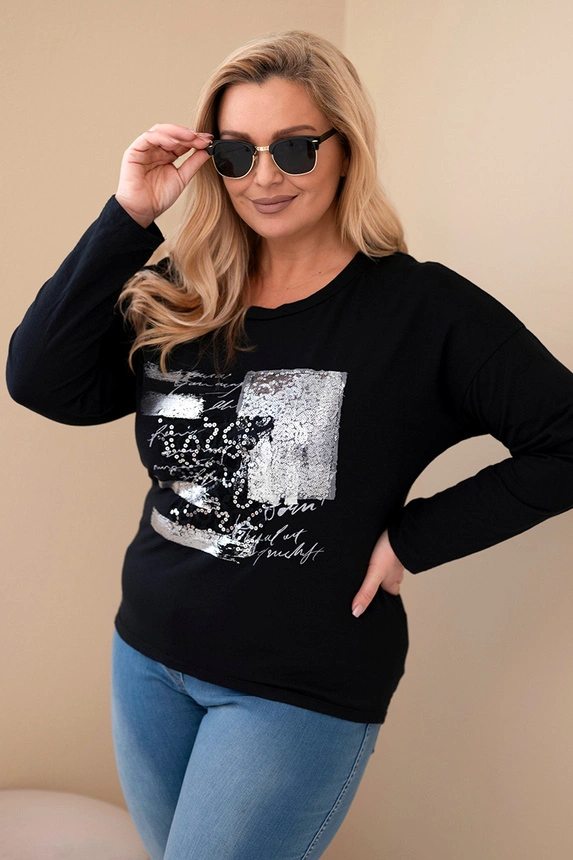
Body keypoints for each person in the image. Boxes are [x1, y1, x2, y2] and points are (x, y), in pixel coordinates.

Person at [6, 29, 573, 860]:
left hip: (295, 690)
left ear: (346, 151)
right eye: (236, 153)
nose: (263, 177)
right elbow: (39, 380)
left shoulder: (422, 310)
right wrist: (129, 215)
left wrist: (413, 539)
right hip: (148, 657)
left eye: (295, 147)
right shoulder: (182, 290)